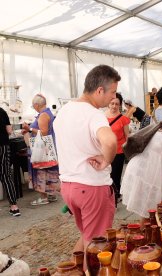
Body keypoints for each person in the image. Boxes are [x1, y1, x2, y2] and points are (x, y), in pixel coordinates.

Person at [53, 64, 119, 253]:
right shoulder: (94, 114)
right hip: (92, 186)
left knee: (87, 236)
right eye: (112, 92)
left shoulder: (64, 111)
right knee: (97, 247)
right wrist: (107, 159)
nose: (114, 97)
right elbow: (110, 141)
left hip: (68, 186)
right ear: (99, 90)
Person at [21, 94, 60, 206]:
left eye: (34, 106)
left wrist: (29, 129)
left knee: (41, 171)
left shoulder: (43, 115)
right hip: (47, 148)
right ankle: (51, 195)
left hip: (41, 149)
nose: (34, 108)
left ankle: (43, 197)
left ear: (37, 105)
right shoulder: (47, 113)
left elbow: (43, 132)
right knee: (48, 170)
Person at [105, 92, 130, 204]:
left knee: (115, 175)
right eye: (112, 103)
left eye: (116, 104)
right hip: (104, 150)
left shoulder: (123, 119)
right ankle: (108, 195)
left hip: (118, 151)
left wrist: (129, 151)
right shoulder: (102, 117)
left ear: (120, 105)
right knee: (105, 174)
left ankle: (115, 196)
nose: (114, 106)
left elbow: (127, 136)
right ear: (108, 104)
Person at [0, 107, 21, 217]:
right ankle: (14, 207)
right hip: (3, 146)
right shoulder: (2, 111)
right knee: (6, 176)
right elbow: (9, 131)